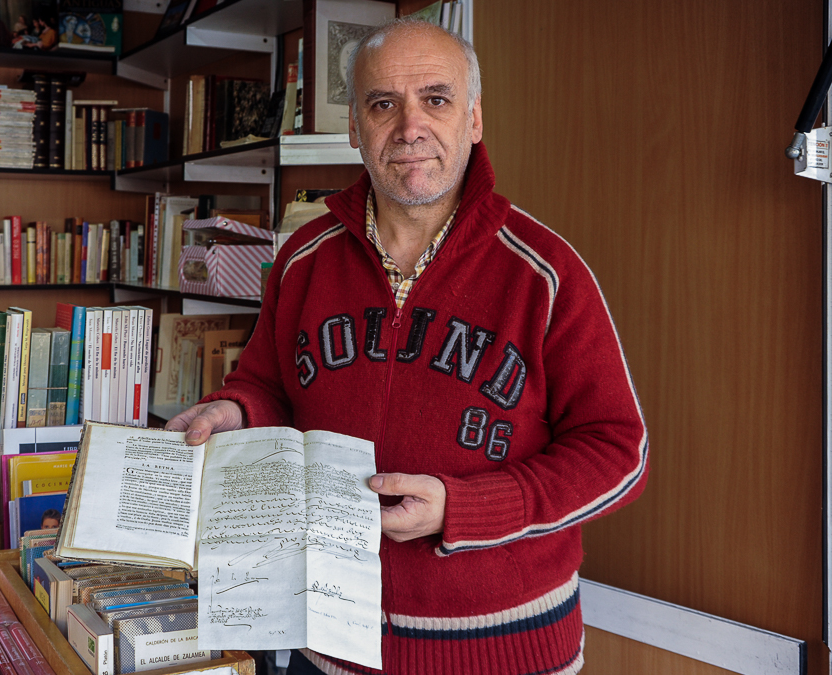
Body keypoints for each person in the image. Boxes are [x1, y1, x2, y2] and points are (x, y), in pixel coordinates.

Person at [167, 17, 648, 675]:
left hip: (507, 653)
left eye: (436, 99)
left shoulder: (546, 273)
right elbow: (268, 384)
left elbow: (618, 452)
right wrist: (235, 411)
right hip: (330, 642)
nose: (409, 125)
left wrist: (464, 509)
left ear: (474, 120)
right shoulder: (303, 261)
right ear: (356, 128)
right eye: (383, 103)